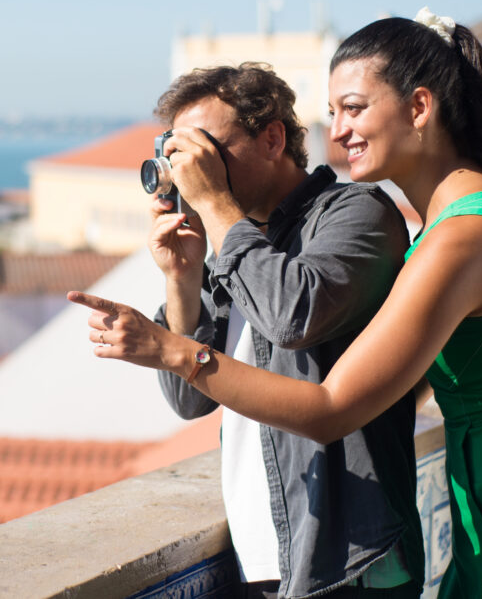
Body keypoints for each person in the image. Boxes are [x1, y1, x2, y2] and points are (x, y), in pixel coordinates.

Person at [70, 11, 482, 597]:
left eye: (355, 109)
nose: (337, 132)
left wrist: (175, 346)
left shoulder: (461, 238)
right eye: (333, 112)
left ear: (419, 108)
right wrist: (184, 278)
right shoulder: (449, 228)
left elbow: (328, 406)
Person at [141, 62, 425, 598]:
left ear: (272, 138)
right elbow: (188, 398)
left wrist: (216, 207)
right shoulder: (225, 241)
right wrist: (180, 280)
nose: (192, 174)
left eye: (204, 152)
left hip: (352, 556)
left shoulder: (355, 213)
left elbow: (293, 317)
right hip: (266, 552)